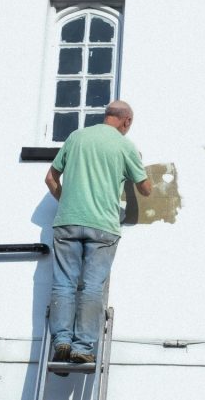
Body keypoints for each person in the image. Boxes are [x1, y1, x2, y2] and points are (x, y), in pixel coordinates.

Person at [44, 100, 152, 366]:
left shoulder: (76, 137)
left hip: (67, 222)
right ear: (126, 121)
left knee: (64, 284)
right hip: (103, 226)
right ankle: (82, 346)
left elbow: (50, 178)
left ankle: (61, 342)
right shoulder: (124, 146)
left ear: (107, 116)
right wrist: (136, 163)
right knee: (92, 287)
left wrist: (67, 202)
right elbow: (146, 189)